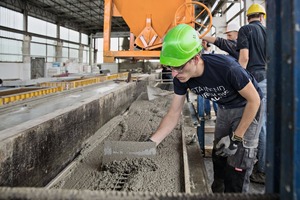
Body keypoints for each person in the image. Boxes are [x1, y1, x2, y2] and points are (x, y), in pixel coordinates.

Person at [148, 24, 264, 193]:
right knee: (219, 156)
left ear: (195, 58)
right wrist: (151, 143)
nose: (174, 73)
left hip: (248, 107)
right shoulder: (180, 77)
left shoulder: (227, 68)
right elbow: (173, 114)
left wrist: (236, 137)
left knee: (237, 165)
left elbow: (254, 100)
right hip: (225, 107)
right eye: (170, 67)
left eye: (178, 67)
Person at [236, 3, 267, 184]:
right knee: (267, 124)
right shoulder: (269, 32)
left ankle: (261, 170)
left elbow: (244, 57)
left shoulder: (246, 30)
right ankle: (264, 164)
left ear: (248, 17)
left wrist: (238, 80)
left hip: (255, 80)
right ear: (262, 17)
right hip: (269, 78)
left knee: (258, 125)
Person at [200, 40, 218, 120]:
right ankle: (207, 114)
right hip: (204, 79)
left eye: (204, 42)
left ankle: (218, 115)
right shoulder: (201, 53)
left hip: (213, 80)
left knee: (215, 99)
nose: (203, 44)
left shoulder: (214, 53)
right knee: (206, 99)